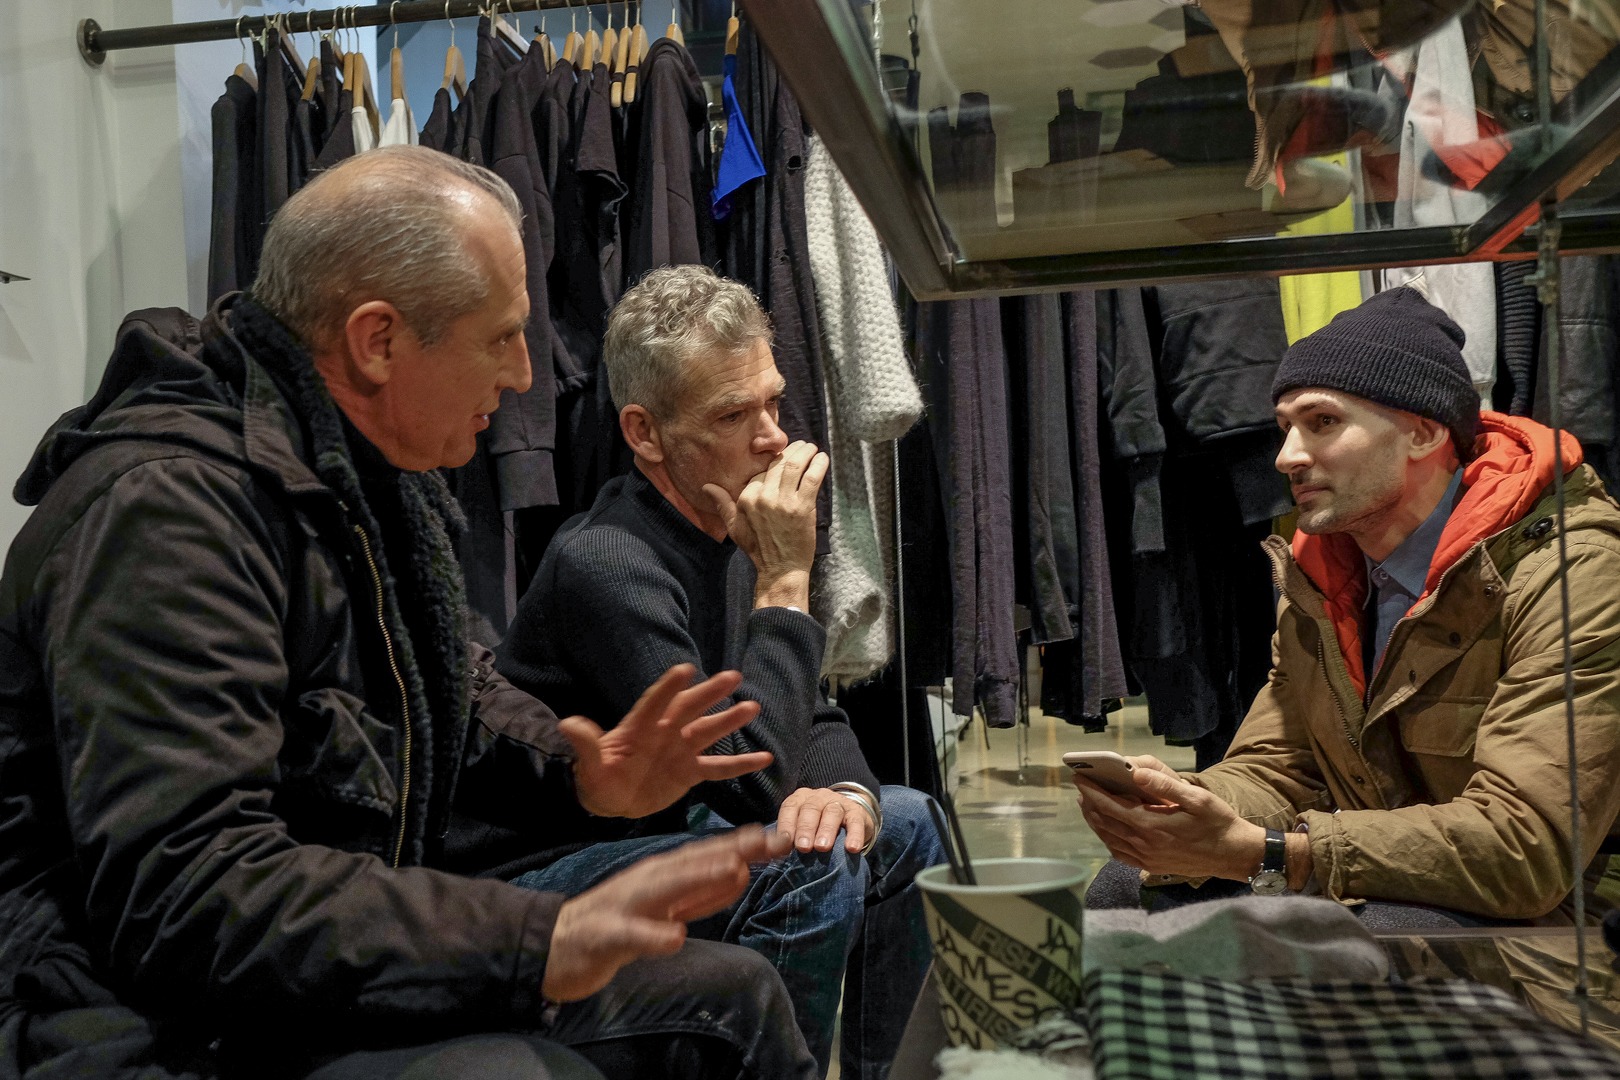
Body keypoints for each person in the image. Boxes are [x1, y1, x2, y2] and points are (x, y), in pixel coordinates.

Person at [0, 147, 821, 1080]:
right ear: (378, 341)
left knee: (734, 994)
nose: (525, 375)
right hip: (139, 1021)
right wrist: (531, 940)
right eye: (500, 338)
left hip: (303, 975)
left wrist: (585, 774)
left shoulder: (367, 476)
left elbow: (452, 689)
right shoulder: (169, 514)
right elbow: (191, 889)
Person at [496, 265, 945, 1080]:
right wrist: (785, 582)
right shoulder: (608, 562)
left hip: (677, 825)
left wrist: (844, 795)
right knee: (803, 860)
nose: (772, 436)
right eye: (734, 415)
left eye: (774, 402)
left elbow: (812, 715)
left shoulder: (727, 524)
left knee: (907, 822)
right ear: (645, 434)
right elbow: (748, 781)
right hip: (545, 873)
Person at [1078, 286, 1620, 927]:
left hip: (1566, 919)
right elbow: (1284, 766)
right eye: (1285, 427)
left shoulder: (1573, 573)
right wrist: (1183, 806)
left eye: (1323, 422)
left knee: (1379, 937)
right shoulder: (1325, 574)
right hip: (1390, 881)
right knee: (1127, 887)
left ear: (1423, 432)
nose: (1286, 456)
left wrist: (1274, 853)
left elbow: (1525, 848)